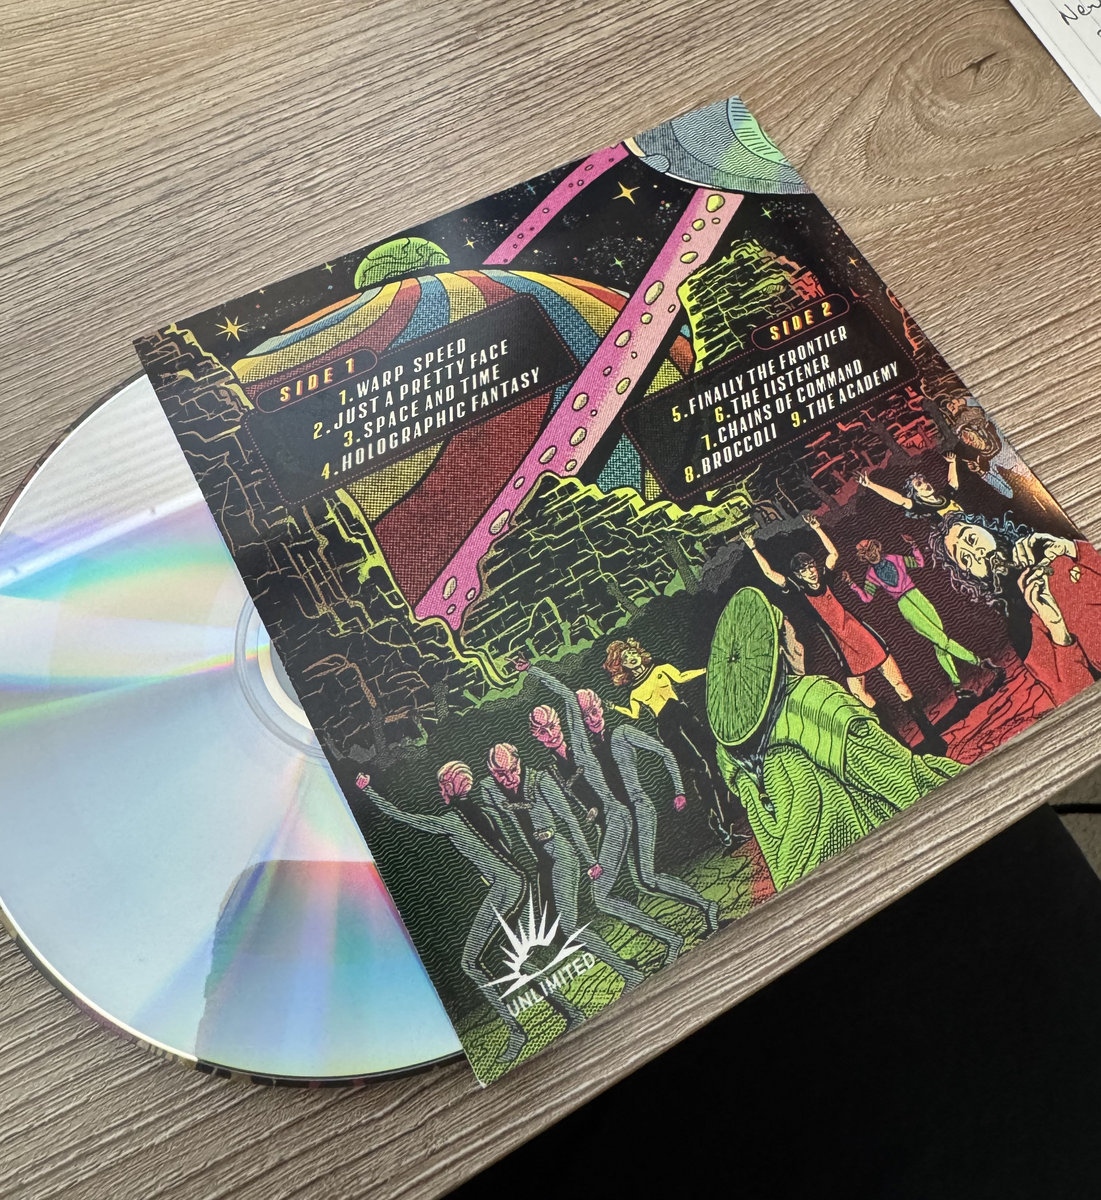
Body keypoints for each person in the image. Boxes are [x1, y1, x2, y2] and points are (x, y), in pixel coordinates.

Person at [705, 587, 963, 891]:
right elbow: (902, 779)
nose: (800, 644)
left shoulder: (728, 751)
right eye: (791, 633)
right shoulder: (814, 700)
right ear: (779, 651)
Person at [354, 763, 584, 1065]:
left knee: (471, 962)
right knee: (514, 957)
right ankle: (569, 1011)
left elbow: (405, 817)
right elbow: (506, 845)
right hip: (517, 881)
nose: (440, 790)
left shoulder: (452, 821)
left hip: (506, 887)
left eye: (442, 784)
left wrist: (369, 791)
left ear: (451, 787)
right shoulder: (484, 813)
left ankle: (517, 1031)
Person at [517, 658, 717, 934]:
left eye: (552, 726)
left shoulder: (586, 745)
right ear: (536, 737)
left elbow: (567, 696)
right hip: (613, 820)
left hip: (626, 814)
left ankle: (683, 927)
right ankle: (691, 919)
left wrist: (532, 670)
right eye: (542, 731)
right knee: (644, 881)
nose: (550, 734)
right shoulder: (557, 766)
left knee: (627, 886)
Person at [741, 516, 947, 754]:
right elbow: (769, 573)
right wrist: (752, 547)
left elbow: (833, 554)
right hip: (844, 646)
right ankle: (901, 748)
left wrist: (817, 528)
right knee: (859, 694)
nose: (811, 572)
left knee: (900, 685)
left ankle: (933, 738)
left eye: (811, 567)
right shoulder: (798, 590)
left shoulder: (825, 578)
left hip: (861, 635)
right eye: (804, 570)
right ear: (798, 575)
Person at [480, 743, 646, 989]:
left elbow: (570, 820)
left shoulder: (540, 781)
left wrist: (590, 860)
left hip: (562, 857)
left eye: (513, 770)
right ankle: (623, 964)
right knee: (553, 933)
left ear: (519, 761)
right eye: (501, 775)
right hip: (542, 866)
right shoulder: (491, 790)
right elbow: (497, 825)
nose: (510, 779)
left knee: (569, 927)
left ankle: (628, 972)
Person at [930, 513, 1101, 705]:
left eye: (971, 539)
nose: (978, 554)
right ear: (972, 576)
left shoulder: (1058, 551)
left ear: (986, 528)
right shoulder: (1022, 628)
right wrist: (1057, 628)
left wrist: (1071, 548)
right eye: (966, 558)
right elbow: (1074, 694)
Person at [602, 638, 738, 846]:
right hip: (667, 727)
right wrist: (614, 708)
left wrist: (707, 669)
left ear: (638, 651)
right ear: (622, 667)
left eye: (631, 652)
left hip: (683, 714)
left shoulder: (659, 666)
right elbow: (634, 714)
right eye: (626, 658)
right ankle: (717, 823)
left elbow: (681, 677)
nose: (631, 657)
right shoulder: (634, 692)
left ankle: (730, 812)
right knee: (699, 768)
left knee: (713, 755)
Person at [848, 533, 1001, 700]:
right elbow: (867, 598)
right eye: (866, 553)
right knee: (941, 640)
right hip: (904, 604)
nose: (871, 554)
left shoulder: (895, 558)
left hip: (917, 595)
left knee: (939, 642)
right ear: (863, 558)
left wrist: (914, 545)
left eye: (871, 548)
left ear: (877, 547)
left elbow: (919, 563)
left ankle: (957, 686)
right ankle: (980, 662)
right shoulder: (870, 575)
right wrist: (852, 584)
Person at [855, 454, 963, 522]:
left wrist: (952, 463)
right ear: (915, 493)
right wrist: (870, 484)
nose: (925, 484)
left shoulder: (944, 498)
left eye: (925, 481)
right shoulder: (921, 507)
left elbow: (953, 484)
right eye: (919, 484)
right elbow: (898, 499)